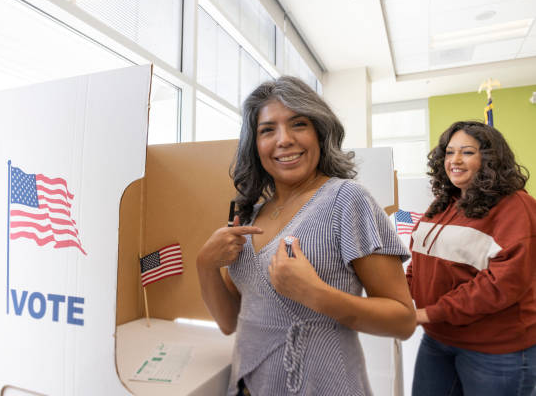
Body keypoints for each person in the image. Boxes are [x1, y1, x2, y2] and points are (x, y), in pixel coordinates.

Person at [196, 76, 416, 396]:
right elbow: (230, 321)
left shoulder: (347, 199)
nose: (283, 140)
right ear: (255, 146)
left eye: (298, 124)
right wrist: (205, 264)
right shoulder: (250, 215)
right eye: (267, 129)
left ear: (319, 132)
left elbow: (403, 321)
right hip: (248, 386)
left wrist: (316, 294)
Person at [407, 121, 536, 395]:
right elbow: (419, 264)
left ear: (489, 159)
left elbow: (501, 284)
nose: (455, 160)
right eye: (449, 152)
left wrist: (429, 313)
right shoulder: (443, 203)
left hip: (495, 349)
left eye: (467, 152)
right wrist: (401, 298)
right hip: (437, 337)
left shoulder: (516, 207)